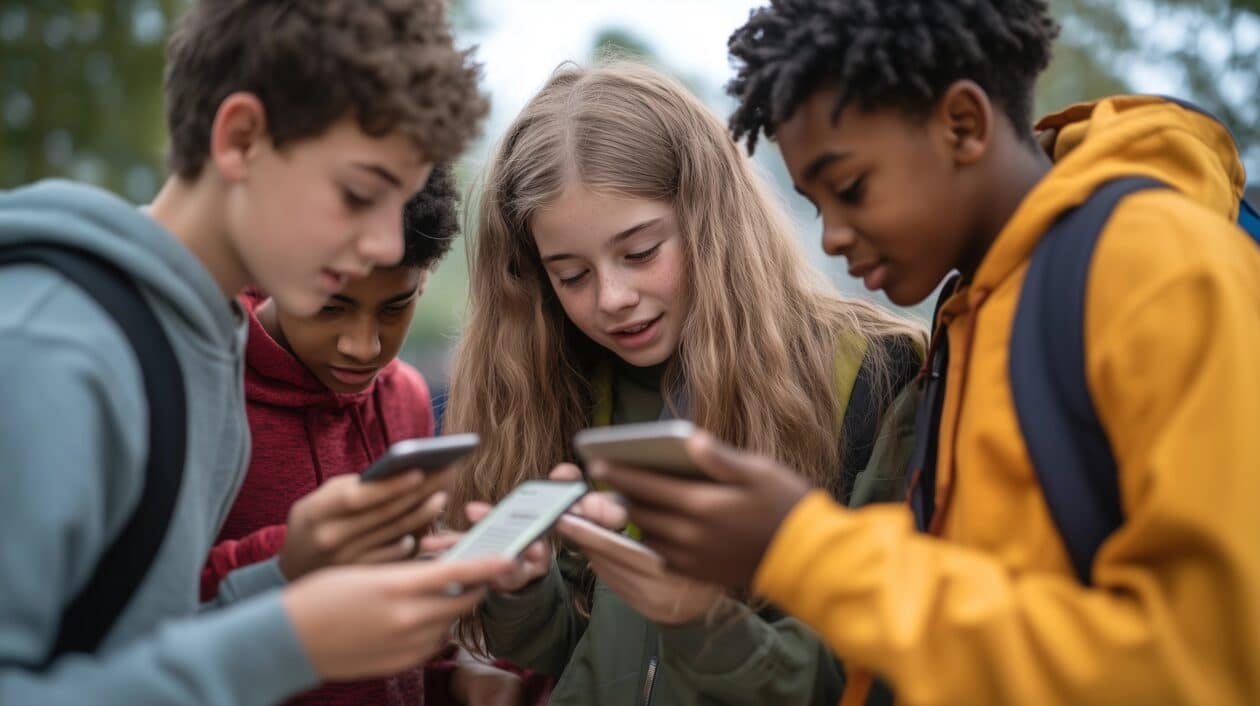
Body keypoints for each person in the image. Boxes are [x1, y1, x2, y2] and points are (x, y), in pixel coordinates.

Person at [594, 2, 1260, 705]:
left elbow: (1200, 667)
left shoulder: (1163, 267)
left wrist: (801, 546)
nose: (832, 238)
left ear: (963, 125)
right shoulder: (970, 312)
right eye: (816, 205)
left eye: (849, 188)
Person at [0, 2, 515, 704]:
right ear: (240, 139)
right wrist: (291, 643)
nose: (386, 247)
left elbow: (129, 641)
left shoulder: (202, 341)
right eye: (359, 193)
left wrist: (285, 578)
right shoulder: (52, 345)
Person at [439, 61, 924, 706]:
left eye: (640, 253)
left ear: (710, 219)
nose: (612, 298)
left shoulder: (873, 376)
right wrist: (522, 593)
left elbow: (859, 672)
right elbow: (589, 655)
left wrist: (698, 621)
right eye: (570, 275)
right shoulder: (567, 384)